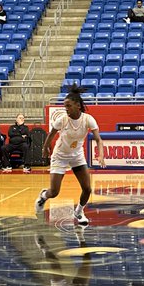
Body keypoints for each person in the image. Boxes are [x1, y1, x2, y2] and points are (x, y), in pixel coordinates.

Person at [36, 85, 105, 226]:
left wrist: (101, 155)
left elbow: (98, 139)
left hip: (77, 155)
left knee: (87, 189)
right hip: (60, 156)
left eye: (68, 106)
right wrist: (45, 148)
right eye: (64, 106)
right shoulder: (62, 119)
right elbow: (51, 135)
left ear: (78, 106)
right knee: (54, 192)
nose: (66, 109)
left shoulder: (88, 119)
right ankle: (43, 196)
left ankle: (79, 212)